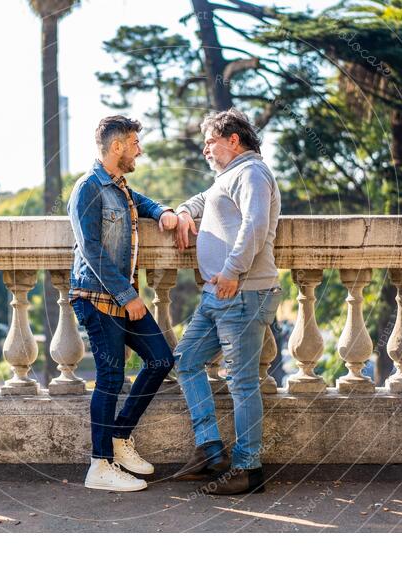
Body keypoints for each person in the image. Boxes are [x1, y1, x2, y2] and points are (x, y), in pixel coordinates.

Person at [171, 108, 282, 495]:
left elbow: (255, 226)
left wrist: (233, 271)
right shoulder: (230, 176)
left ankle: (249, 468)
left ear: (233, 140)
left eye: (210, 142)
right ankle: (210, 450)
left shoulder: (252, 172)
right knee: (186, 360)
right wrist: (184, 211)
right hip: (219, 294)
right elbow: (206, 198)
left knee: (241, 382)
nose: (205, 149)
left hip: (243, 292)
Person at [68, 115, 178, 492]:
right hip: (98, 297)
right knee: (111, 378)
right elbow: (92, 251)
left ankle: (118, 438)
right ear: (116, 147)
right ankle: (99, 465)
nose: (139, 150)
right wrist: (129, 296)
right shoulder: (88, 188)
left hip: (120, 297)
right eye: (134, 143)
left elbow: (139, 202)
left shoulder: (118, 186)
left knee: (162, 358)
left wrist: (162, 211)